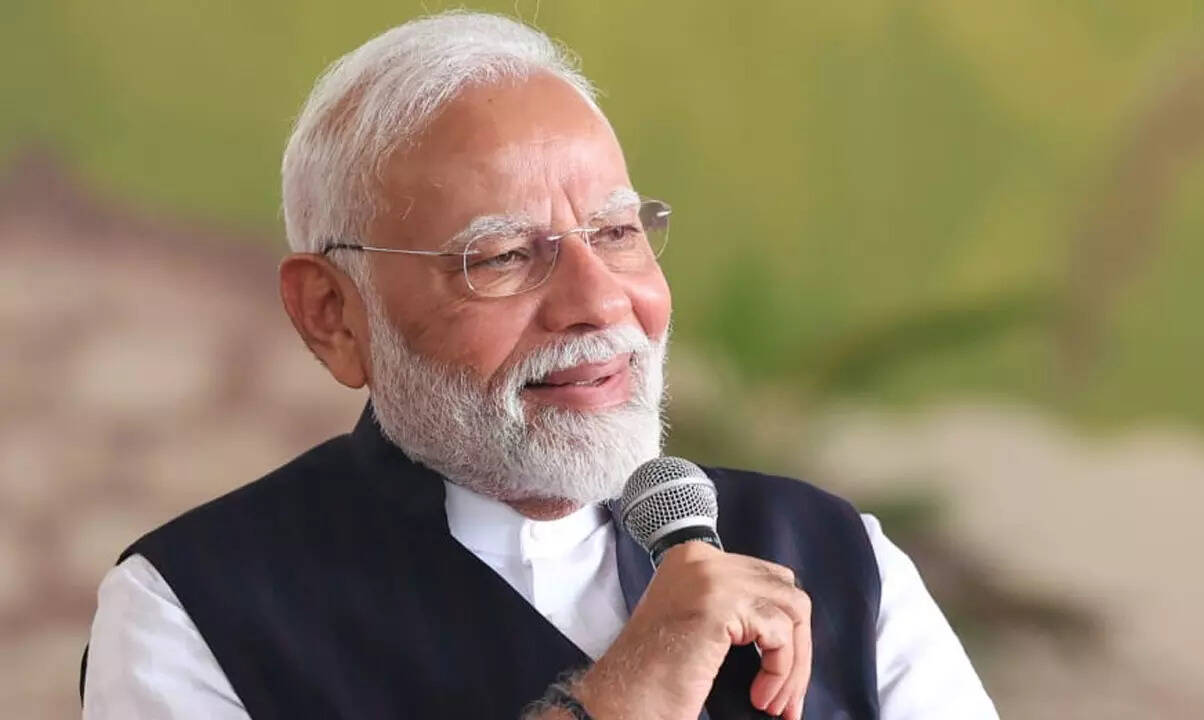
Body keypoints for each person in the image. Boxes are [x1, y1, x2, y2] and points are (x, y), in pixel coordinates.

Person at [80, 11, 998, 720]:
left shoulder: (833, 558)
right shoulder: (195, 609)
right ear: (333, 314)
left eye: (617, 232)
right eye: (504, 256)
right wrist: (615, 702)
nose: (599, 301)